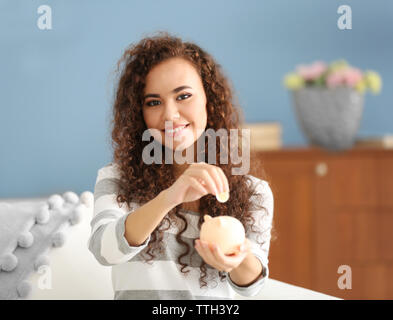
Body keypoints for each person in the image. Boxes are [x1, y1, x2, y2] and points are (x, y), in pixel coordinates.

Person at [88, 31, 274, 300]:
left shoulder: (253, 191)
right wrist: (169, 197)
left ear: (208, 98)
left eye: (183, 96)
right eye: (154, 102)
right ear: (139, 114)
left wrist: (237, 259)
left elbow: (251, 286)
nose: (170, 115)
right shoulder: (116, 179)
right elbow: (104, 251)